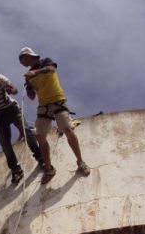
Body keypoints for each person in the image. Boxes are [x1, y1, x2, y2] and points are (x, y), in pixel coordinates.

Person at [18, 47, 91, 184]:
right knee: (40, 136)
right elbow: (32, 96)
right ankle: (49, 168)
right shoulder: (29, 76)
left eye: (22, 60)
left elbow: (51, 70)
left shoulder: (45, 61)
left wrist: (35, 72)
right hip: (43, 105)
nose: (21, 63)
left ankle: (81, 162)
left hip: (58, 100)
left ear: (27, 56)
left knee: (67, 129)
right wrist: (28, 88)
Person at [0, 57, 44, 184]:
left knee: (26, 131)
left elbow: (15, 90)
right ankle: (16, 170)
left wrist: (10, 90)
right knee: (5, 144)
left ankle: (40, 158)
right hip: (0, 116)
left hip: (12, 109)